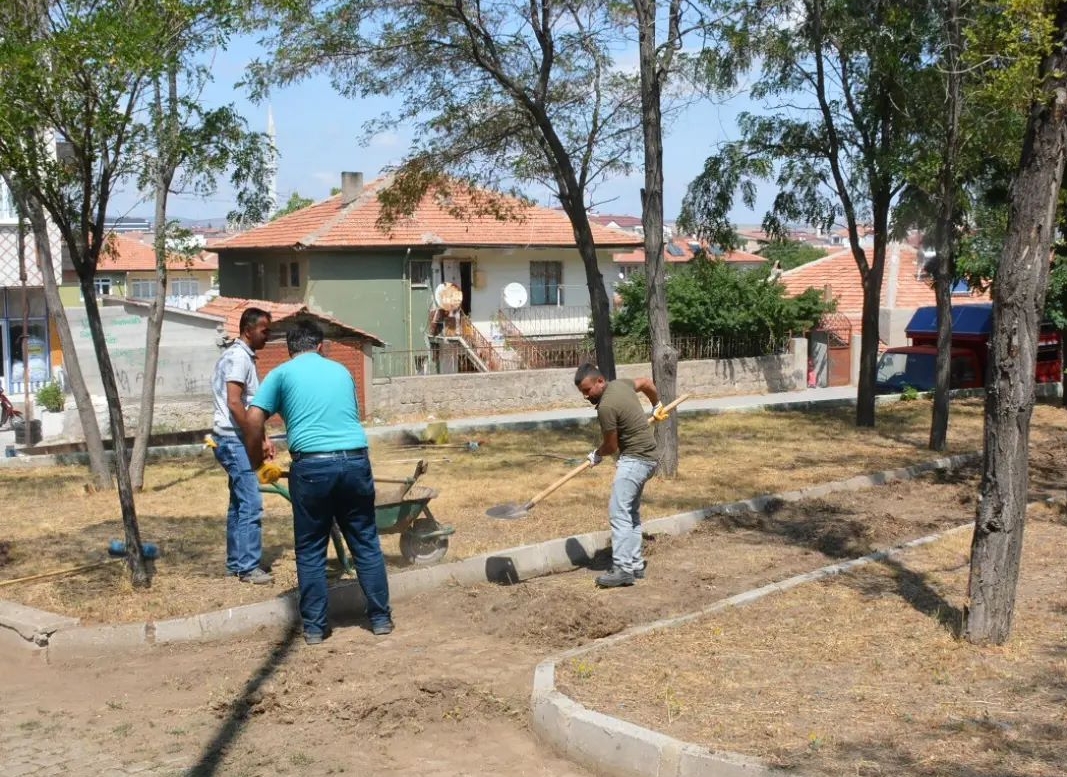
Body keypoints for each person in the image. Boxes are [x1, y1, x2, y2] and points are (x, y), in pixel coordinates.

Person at [244, 319, 392, 645]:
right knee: (365, 542)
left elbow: (253, 418)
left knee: (311, 549)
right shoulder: (341, 371)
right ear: (320, 346)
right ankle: (380, 619)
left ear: (289, 349)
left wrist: (256, 459)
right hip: (355, 461)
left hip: (312, 467)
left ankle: (314, 629)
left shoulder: (282, 374)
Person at [574, 363, 668, 588]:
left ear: (600, 381)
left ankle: (623, 569)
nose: (586, 396)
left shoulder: (606, 406)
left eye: (588, 390)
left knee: (619, 514)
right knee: (630, 512)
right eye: (583, 393)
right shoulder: (621, 385)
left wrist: (596, 455)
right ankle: (635, 565)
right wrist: (657, 404)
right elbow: (645, 382)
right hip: (649, 457)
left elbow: (611, 446)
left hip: (635, 460)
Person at [211, 307, 274, 585]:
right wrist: (253, 438)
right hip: (232, 438)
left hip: (232, 436)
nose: (268, 336)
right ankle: (248, 567)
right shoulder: (238, 358)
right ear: (248, 330)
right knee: (251, 502)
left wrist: (262, 436)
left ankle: (236, 563)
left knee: (238, 502)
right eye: (264, 330)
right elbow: (235, 403)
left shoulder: (236, 356)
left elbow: (250, 405)